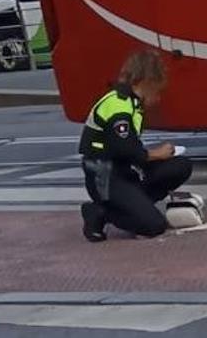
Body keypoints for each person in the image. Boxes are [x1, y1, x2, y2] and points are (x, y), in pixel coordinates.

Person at [79, 50, 193, 242]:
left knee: (181, 166)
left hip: (124, 169)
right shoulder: (118, 105)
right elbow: (129, 151)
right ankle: (100, 212)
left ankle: (135, 205)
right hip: (106, 176)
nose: (158, 97)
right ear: (146, 82)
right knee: (154, 226)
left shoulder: (132, 103)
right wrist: (159, 154)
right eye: (157, 89)